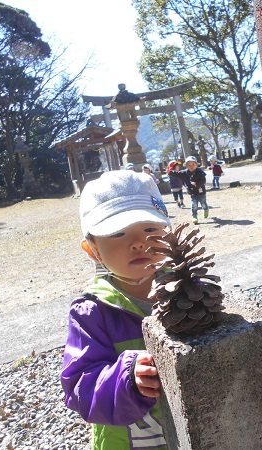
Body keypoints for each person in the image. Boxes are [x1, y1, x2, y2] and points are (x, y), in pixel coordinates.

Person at [61, 170, 169, 450]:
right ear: (93, 250)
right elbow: (79, 388)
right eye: (118, 233)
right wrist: (128, 377)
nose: (138, 242)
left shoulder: (189, 290)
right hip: (127, 442)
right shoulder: (91, 312)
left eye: (150, 229)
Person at [167, 155, 208, 225]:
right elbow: (177, 174)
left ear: (196, 165)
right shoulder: (184, 173)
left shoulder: (200, 172)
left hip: (201, 192)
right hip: (192, 193)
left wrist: (197, 184)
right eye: (189, 165)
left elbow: (203, 180)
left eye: (193, 164)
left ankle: (206, 209)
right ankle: (194, 216)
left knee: (203, 203)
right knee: (194, 205)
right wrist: (170, 172)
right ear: (186, 166)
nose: (191, 166)